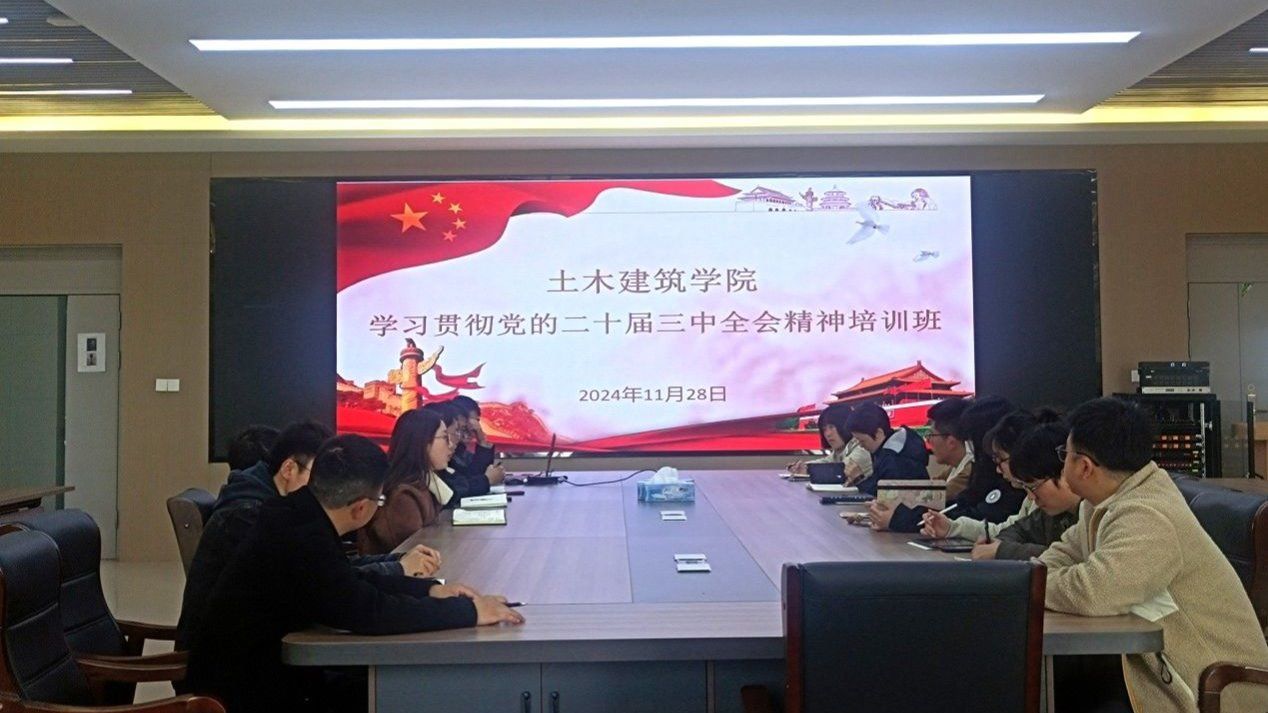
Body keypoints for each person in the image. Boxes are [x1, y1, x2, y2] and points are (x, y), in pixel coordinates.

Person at [185, 434, 524, 713]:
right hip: (247, 693)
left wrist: (429, 589)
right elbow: (369, 612)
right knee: (410, 691)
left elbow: (348, 580)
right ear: (362, 508)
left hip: (260, 673)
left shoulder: (296, 513)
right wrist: (468, 612)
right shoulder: (302, 535)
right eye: (379, 500)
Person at [1041, 397, 1268, 713]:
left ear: (1084, 466)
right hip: (1158, 669)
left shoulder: (1148, 514)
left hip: (1212, 689)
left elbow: (1094, 592)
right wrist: (1040, 578)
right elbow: (1061, 556)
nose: (1062, 463)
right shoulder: (1104, 502)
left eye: (1064, 454)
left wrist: (1035, 585)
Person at [177, 422, 441, 652]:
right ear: (289, 468)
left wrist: (398, 566)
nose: (327, 481)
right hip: (239, 665)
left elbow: (332, 571)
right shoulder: (254, 516)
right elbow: (334, 588)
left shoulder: (282, 511)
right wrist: (401, 571)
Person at [873, 396, 1025, 532]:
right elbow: (960, 503)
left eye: (971, 440)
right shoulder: (976, 468)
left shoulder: (993, 473)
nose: (928, 440)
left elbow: (983, 515)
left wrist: (902, 518)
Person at [919, 409, 1042, 542]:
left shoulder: (1037, 495)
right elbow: (1007, 529)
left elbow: (1048, 549)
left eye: (1000, 459)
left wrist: (1001, 549)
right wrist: (951, 527)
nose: (998, 469)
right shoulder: (1030, 498)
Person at [966, 419, 1079, 561]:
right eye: (1026, 487)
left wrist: (1003, 550)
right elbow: (1018, 530)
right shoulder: (1052, 513)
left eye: (1034, 486)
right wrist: (996, 545)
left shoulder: (1094, 512)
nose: (1031, 497)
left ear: (1064, 472)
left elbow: (1071, 558)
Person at [358, 408, 453, 555]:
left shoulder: (421, 482)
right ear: (423, 442)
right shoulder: (403, 496)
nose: (451, 445)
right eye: (445, 437)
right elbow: (416, 556)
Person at [843, 402, 928, 496]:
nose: (861, 446)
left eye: (862, 441)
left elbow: (885, 496)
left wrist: (858, 478)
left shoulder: (896, 458)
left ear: (878, 433)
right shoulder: (891, 448)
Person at [421, 400, 496, 502]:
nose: (459, 437)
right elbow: (456, 489)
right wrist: (486, 481)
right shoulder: (411, 486)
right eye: (458, 430)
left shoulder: (457, 452)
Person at [786, 403, 872, 484]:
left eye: (831, 427)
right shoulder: (840, 450)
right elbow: (826, 462)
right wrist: (803, 466)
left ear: (845, 425)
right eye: (824, 429)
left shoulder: (862, 447)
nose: (828, 434)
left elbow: (840, 471)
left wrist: (808, 470)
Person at [449, 395, 506, 487]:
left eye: (476, 421)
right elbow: (464, 484)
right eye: (468, 421)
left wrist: (482, 440)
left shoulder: (461, 450)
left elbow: (479, 473)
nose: (474, 427)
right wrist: (487, 480)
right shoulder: (447, 451)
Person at [922, 398, 973, 500]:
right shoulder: (956, 466)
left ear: (951, 442)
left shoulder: (970, 472)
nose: (928, 440)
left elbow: (927, 498)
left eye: (931, 435)